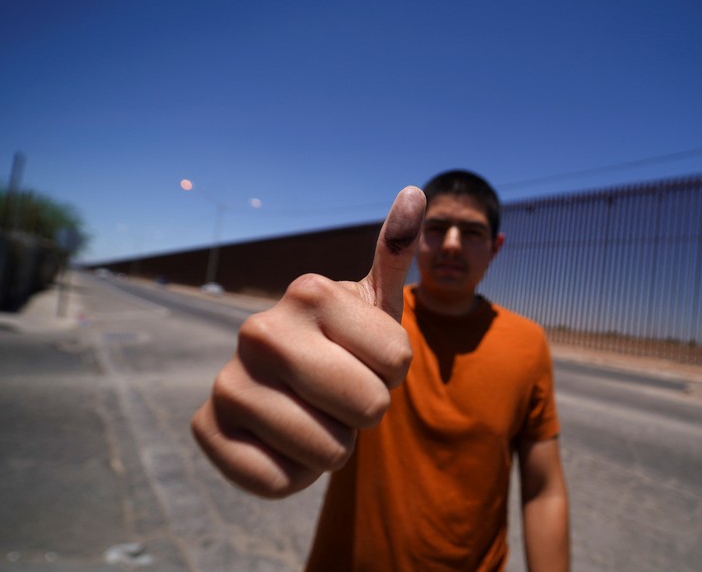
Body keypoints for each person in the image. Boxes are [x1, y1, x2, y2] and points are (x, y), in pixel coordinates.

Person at [191, 170, 570, 571]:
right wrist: (265, 390)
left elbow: (543, 490)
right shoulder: (365, 323)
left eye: (472, 232)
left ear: (495, 247)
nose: (453, 244)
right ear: (419, 235)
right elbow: (299, 350)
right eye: (438, 228)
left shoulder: (528, 343)